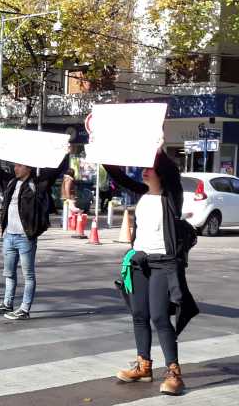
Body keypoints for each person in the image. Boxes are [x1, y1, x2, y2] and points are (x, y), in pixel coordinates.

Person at [105, 150, 198, 396]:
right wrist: (104, 151)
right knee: (139, 314)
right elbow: (119, 177)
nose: (145, 171)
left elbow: (171, 171)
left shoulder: (170, 197)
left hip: (163, 264)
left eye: (151, 168)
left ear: (161, 173)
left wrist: (158, 149)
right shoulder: (143, 194)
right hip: (138, 263)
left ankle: (174, 373)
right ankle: (144, 365)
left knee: (159, 317)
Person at [0, 154, 69, 320]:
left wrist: (64, 153)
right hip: (9, 236)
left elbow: (54, 171)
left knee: (28, 275)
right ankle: (7, 303)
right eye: (15, 165)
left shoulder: (37, 184)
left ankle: (25, 309)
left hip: (25, 237)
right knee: (9, 272)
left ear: (28, 167)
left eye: (19, 165)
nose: (15, 168)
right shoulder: (11, 182)